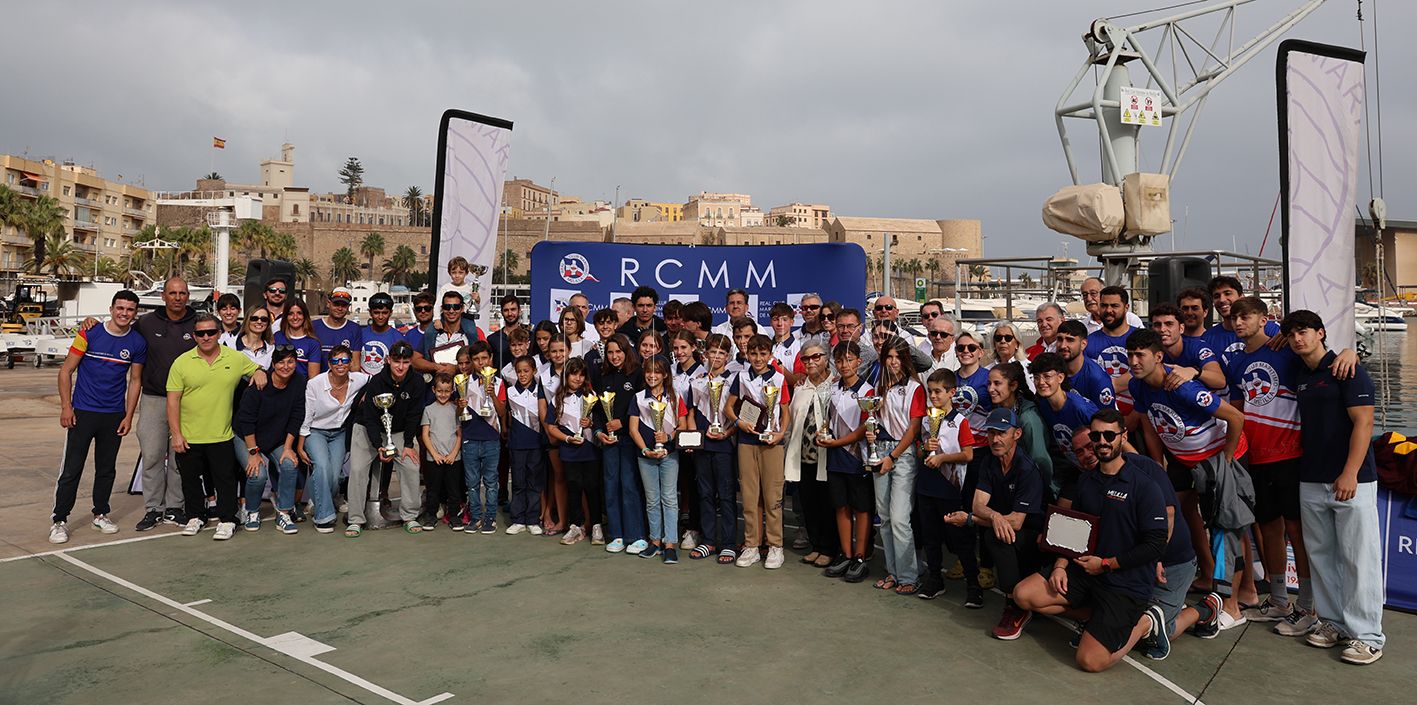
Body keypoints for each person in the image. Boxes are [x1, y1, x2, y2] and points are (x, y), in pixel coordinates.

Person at [1011, 409, 1171, 672]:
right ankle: (1098, 620)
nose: (1102, 441)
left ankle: (1144, 622)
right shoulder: (1086, 481)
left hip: (1124, 582)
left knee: (1089, 661)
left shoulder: (1144, 486)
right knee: (1024, 595)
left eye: (1109, 435)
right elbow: (1074, 529)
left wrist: (1106, 564)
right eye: (1096, 435)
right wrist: (1061, 564)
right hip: (1085, 571)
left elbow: (1155, 544)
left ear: (1123, 436)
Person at [1126, 328, 1251, 630]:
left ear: (1158, 357)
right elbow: (1149, 423)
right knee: (1171, 517)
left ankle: (1233, 607)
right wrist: (1158, 464)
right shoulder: (1138, 384)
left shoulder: (1183, 387)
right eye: (1130, 355)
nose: (1133, 361)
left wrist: (1227, 460)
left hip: (1217, 457)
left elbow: (1235, 418)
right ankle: (1200, 579)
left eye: (1140, 355)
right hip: (1183, 460)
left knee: (1226, 527)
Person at [1061, 425, 1217, 658]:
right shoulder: (1088, 480)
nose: (1089, 452)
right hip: (1128, 567)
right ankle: (1102, 625)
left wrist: (1156, 558)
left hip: (1169, 564)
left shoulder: (1143, 468)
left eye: (1094, 442)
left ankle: (1205, 609)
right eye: (1080, 450)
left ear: (1120, 438)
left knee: (1161, 630)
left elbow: (1169, 515)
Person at [1286, 309, 1386, 664]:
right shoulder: (1300, 373)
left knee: (1359, 559)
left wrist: (1350, 473)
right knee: (1322, 556)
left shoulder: (1348, 370)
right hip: (1311, 477)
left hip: (1351, 480)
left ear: (1321, 333)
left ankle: (1368, 636)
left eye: (1304, 332)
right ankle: (1332, 624)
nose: (1298, 339)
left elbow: (1365, 423)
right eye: (1292, 334)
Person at [49, 290, 146, 544]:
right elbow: (65, 371)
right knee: (72, 469)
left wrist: (128, 415)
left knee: (106, 469)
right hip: (82, 413)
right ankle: (59, 520)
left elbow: (135, 381)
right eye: (120, 308)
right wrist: (66, 407)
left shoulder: (136, 343)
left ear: (135, 313)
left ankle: (100, 514)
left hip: (113, 415)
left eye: (130, 310)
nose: (124, 313)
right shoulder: (89, 333)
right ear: (112, 308)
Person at [166, 314, 265, 541]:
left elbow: (256, 368)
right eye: (201, 333)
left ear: (219, 334)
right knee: (190, 480)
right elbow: (172, 401)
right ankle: (195, 516)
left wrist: (259, 372)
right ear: (194, 336)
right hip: (189, 435)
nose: (206, 337)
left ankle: (228, 519)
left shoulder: (235, 358)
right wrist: (176, 434)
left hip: (222, 435)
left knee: (225, 480)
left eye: (211, 332)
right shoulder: (181, 362)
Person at [973, 407, 1047, 640]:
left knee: (999, 536)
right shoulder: (989, 461)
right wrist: (994, 516)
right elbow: (978, 505)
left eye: (1002, 433)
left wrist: (977, 519)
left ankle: (1017, 607)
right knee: (997, 534)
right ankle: (1014, 601)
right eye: (991, 433)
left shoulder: (1027, 469)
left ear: (1016, 434)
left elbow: (1016, 521)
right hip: (1007, 528)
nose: (995, 439)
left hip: (1034, 538)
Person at [134, 277, 197, 531]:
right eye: (173, 293)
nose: (178, 298)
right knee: (152, 455)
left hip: (187, 401)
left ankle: (174, 507)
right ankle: (153, 508)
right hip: (154, 399)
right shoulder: (146, 323)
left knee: (180, 456)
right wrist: (90, 325)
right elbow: (119, 330)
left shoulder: (199, 322)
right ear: (163, 296)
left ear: (188, 295)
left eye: (182, 293)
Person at [724, 333, 793, 569]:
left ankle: (775, 546)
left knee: (773, 495)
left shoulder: (781, 379)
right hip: (746, 442)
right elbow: (728, 407)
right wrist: (738, 423)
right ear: (747, 353)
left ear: (770, 354)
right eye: (753, 353)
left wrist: (781, 433)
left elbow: (785, 412)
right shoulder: (741, 377)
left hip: (772, 444)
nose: (758, 358)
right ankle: (751, 545)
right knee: (750, 496)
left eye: (763, 353)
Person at [345, 341, 426, 536]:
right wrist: (378, 446)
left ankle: (409, 515)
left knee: (411, 465)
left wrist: (408, 444)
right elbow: (370, 418)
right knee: (357, 469)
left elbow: (414, 416)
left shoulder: (417, 382)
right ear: (388, 360)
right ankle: (355, 519)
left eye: (405, 362)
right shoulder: (376, 382)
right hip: (367, 429)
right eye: (396, 361)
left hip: (398, 432)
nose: (400, 366)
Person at [866, 337, 926, 595]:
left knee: (901, 518)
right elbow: (874, 419)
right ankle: (893, 571)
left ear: (906, 360)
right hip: (880, 450)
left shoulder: (915, 388)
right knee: (886, 518)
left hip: (903, 454)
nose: (893, 362)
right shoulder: (879, 387)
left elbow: (913, 429)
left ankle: (909, 575)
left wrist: (893, 456)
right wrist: (871, 432)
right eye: (889, 357)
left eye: (898, 357)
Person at [917, 369, 980, 606]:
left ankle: (973, 584)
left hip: (950, 489)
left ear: (952, 392)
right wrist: (925, 448)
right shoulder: (925, 419)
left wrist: (942, 458)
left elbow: (968, 454)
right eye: (930, 391)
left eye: (938, 392)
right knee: (930, 537)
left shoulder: (960, 421)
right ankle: (935, 579)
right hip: (926, 486)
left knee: (960, 539)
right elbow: (919, 452)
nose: (933, 396)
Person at [816, 341, 874, 583]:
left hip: (856, 456)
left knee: (861, 507)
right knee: (841, 506)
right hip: (835, 457)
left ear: (858, 362)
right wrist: (823, 434)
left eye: (849, 360)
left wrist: (838, 443)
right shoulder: (832, 389)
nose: (844, 365)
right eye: (839, 361)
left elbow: (864, 427)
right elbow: (827, 419)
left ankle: (859, 556)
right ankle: (845, 553)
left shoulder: (868, 391)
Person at [297, 344, 371, 533]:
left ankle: (319, 500)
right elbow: (307, 415)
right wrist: (300, 445)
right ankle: (323, 517)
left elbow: (378, 380)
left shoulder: (359, 380)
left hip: (340, 432)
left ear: (350, 363)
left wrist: (367, 396)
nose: (341, 364)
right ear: (329, 363)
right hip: (316, 431)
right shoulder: (315, 383)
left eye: (345, 360)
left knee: (335, 476)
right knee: (321, 467)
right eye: (336, 361)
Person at [235, 345, 305, 535]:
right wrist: (253, 453)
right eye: (281, 362)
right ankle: (251, 510)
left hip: (276, 436)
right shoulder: (259, 384)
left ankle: (283, 512)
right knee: (258, 474)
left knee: (290, 464)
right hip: (247, 436)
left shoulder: (299, 381)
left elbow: (297, 416)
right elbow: (246, 420)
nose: (286, 366)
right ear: (273, 364)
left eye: (291, 361)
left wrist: (289, 447)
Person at [630, 356, 689, 563]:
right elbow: (633, 429)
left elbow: (682, 424)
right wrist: (646, 449)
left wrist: (669, 437)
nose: (652, 375)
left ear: (665, 375)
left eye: (657, 371)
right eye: (648, 371)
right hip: (645, 456)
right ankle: (655, 541)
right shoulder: (638, 398)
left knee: (670, 498)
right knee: (652, 500)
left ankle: (670, 544)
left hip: (669, 455)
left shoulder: (675, 397)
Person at [687, 334, 740, 563]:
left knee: (726, 495)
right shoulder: (697, 381)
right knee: (705, 494)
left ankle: (729, 543)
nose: (716, 356)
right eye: (712, 352)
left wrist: (728, 433)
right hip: (703, 445)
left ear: (727, 356)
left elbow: (740, 415)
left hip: (725, 446)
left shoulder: (735, 381)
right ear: (705, 354)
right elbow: (690, 413)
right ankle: (708, 540)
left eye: (721, 353)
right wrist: (693, 438)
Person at [784, 338, 834, 568]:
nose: (811, 362)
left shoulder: (835, 384)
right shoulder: (800, 387)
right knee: (809, 504)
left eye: (816, 357)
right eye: (806, 358)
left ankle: (829, 548)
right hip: (803, 456)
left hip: (827, 457)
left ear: (826, 358)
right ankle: (816, 545)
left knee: (827, 505)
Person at [593, 333, 645, 553]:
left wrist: (622, 424)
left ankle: (637, 535)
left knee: (629, 485)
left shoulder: (637, 374)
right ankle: (616, 534)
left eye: (618, 352)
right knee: (611, 485)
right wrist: (597, 432)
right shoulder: (602, 376)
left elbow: (643, 408)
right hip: (609, 441)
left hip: (630, 439)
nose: (614, 356)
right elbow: (596, 409)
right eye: (610, 352)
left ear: (626, 351)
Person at [544, 357, 600, 546]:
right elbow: (551, 426)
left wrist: (590, 423)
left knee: (592, 486)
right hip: (569, 449)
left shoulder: (592, 395)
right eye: (574, 374)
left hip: (589, 448)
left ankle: (596, 525)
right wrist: (566, 438)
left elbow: (600, 420)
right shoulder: (557, 398)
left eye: (581, 374)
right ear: (566, 375)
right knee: (573, 486)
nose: (578, 378)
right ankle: (575, 526)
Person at [459, 341, 506, 534]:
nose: (481, 363)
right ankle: (476, 517)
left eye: (484, 358)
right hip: (470, 437)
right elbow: (459, 412)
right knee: (471, 482)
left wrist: (492, 395)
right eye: (476, 359)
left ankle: (490, 518)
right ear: (471, 361)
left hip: (491, 438)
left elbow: (502, 412)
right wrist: (459, 404)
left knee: (491, 482)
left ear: (491, 358)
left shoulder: (499, 382)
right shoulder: (462, 382)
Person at [988, 361, 1054, 494]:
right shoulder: (998, 409)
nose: (990, 389)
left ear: (1013, 386)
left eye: (997, 383)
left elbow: (1040, 460)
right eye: (989, 383)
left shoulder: (1028, 418)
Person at [1029, 352, 1101, 464]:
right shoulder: (1043, 404)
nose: (1041, 382)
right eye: (1036, 377)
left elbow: (1108, 435)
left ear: (1060, 377)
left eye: (1047, 376)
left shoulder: (1080, 408)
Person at [670, 330, 706, 550]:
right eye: (676, 348)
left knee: (694, 483)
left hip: (693, 432)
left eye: (684, 347)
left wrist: (692, 438)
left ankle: (695, 529)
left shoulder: (703, 373)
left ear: (693, 347)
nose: (679, 352)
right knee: (678, 481)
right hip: (671, 433)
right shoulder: (669, 372)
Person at [504, 355, 547, 535]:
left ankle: (532, 519)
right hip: (517, 443)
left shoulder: (541, 392)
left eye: (526, 371)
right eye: (519, 371)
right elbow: (507, 417)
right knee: (518, 482)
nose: (522, 375)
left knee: (534, 482)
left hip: (536, 443)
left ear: (534, 371)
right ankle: (518, 519)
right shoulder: (510, 392)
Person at [419, 372, 462, 531]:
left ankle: (454, 517)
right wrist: (434, 454)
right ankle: (431, 516)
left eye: (447, 391)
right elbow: (425, 435)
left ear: (452, 391)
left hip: (453, 458)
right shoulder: (428, 410)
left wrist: (453, 454)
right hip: (434, 458)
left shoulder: (456, 409)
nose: (443, 394)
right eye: (440, 391)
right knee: (433, 489)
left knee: (453, 490)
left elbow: (459, 434)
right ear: (433, 390)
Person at [1205, 275, 1278, 369]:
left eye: (1227, 293)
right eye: (1216, 296)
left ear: (1241, 296)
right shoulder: (1208, 338)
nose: (1222, 300)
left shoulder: (1271, 329)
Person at [1086, 285, 1137, 415]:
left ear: (1126, 308)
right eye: (1104, 305)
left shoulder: (1141, 338)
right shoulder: (1088, 342)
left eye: (1114, 306)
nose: (1108, 310)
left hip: (1138, 413)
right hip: (1103, 414)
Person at [1150, 303, 1225, 391]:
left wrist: (1194, 372)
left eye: (1169, 324)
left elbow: (1220, 381)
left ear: (1181, 328)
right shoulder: (1152, 350)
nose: (1162, 329)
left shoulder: (1197, 347)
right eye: (1157, 325)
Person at [414, 291, 488, 378]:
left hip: (467, 387)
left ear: (462, 308)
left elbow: (486, 360)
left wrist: (456, 368)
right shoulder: (431, 333)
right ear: (442, 309)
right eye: (447, 307)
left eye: (456, 307)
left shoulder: (475, 332)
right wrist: (436, 367)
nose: (451, 311)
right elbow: (415, 360)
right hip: (438, 387)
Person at [1056, 320, 1116, 410]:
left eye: (1070, 340)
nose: (1063, 345)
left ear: (1083, 344)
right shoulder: (1052, 369)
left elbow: (1108, 420)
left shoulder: (1097, 378)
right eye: (1060, 339)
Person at [313, 287, 361, 372]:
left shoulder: (355, 329)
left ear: (348, 307)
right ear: (328, 303)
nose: (339, 308)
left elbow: (355, 365)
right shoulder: (314, 326)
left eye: (344, 305)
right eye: (336, 304)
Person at [274, 300, 322, 378]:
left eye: (299, 313)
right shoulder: (277, 337)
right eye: (291, 314)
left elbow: (313, 379)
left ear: (305, 316)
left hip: (301, 388)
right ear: (286, 316)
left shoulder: (313, 343)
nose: (295, 317)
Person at [1079, 277, 1144, 334]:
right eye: (1084, 294)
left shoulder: (1130, 319)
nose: (1089, 298)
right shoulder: (1082, 326)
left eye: (1093, 293)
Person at [358, 293, 403, 375]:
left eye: (385, 313)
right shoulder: (359, 334)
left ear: (391, 312)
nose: (380, 317)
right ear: (370, 312)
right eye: (376, 312)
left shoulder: (398, 338)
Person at [989, 324, 1034, 392]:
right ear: (994, 344)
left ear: (1017, 344)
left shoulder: (1029, 368)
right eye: (998, 338)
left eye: (1008, 338)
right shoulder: (987, 370)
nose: (1003, 341)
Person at [437, 255, 481, 321]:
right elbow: (438, 306)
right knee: (430, 331)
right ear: (449, 273)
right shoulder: (445, 288)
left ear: (466, 273)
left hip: (465, 319)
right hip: (447, 319)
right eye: (454, 273)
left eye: (460, 273)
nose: (457, 276)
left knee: (471, 331)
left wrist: (477, 300)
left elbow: (476, 309)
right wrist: (437, 319)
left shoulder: (470, 289)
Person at [769, 302, 803, 385]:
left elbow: (797, 381)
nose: (780, 324)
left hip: (790, 396)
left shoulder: (800, 348)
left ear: (792, 322)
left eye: (784, 319)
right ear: (770, 322)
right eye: (776, 319)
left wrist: (776, 362)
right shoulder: (766, 346)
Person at [487, 294, 524, 370]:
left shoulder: (530, 336)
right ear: (501, 312)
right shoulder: (492, 339)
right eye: (506, 310)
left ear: (519, 311)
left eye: (513, 309)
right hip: (500, 381)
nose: (510, 314)